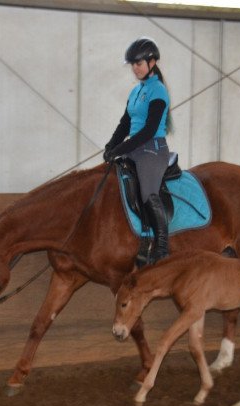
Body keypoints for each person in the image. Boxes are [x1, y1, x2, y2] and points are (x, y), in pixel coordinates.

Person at [104, 37, 172, 264]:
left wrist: (121, 148)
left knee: (147, 193)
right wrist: (111, 145)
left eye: (139, 63)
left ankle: (162, 246)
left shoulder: (158, 91)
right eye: (132, 64)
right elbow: (125, 123)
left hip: (152, 149)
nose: (135, 68)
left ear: (152, 62)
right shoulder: (135, 91)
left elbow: (149, 130)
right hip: (134, 147)